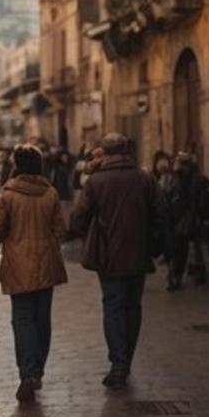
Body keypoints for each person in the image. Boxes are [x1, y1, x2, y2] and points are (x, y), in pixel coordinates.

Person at [68, 133, 166, 390]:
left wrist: (93, 234)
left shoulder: (95, 182)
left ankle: (118, 363)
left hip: (107, 255)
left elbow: (78, 219)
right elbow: (161, 212)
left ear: (106, 153)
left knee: (113, 305)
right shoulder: (145, 178)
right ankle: (126, 361)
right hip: (138, 253)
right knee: (133, 306)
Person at [0, 144, 67, 403]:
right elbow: (60, 229)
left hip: (17, 264)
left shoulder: (7, 195)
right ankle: (37, 370)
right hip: (46, 263)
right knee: (42, 318)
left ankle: (27, 372)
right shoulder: (51, 193)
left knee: (22, 319)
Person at [161, 153, 202, 291]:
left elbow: (193, 200)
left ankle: (176, 275)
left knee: (181, 249)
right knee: (172, 249)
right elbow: (164, 195)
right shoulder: (169, 178)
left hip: (184, 218)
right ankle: (173, 275)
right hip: (171, 217)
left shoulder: (192, 180)